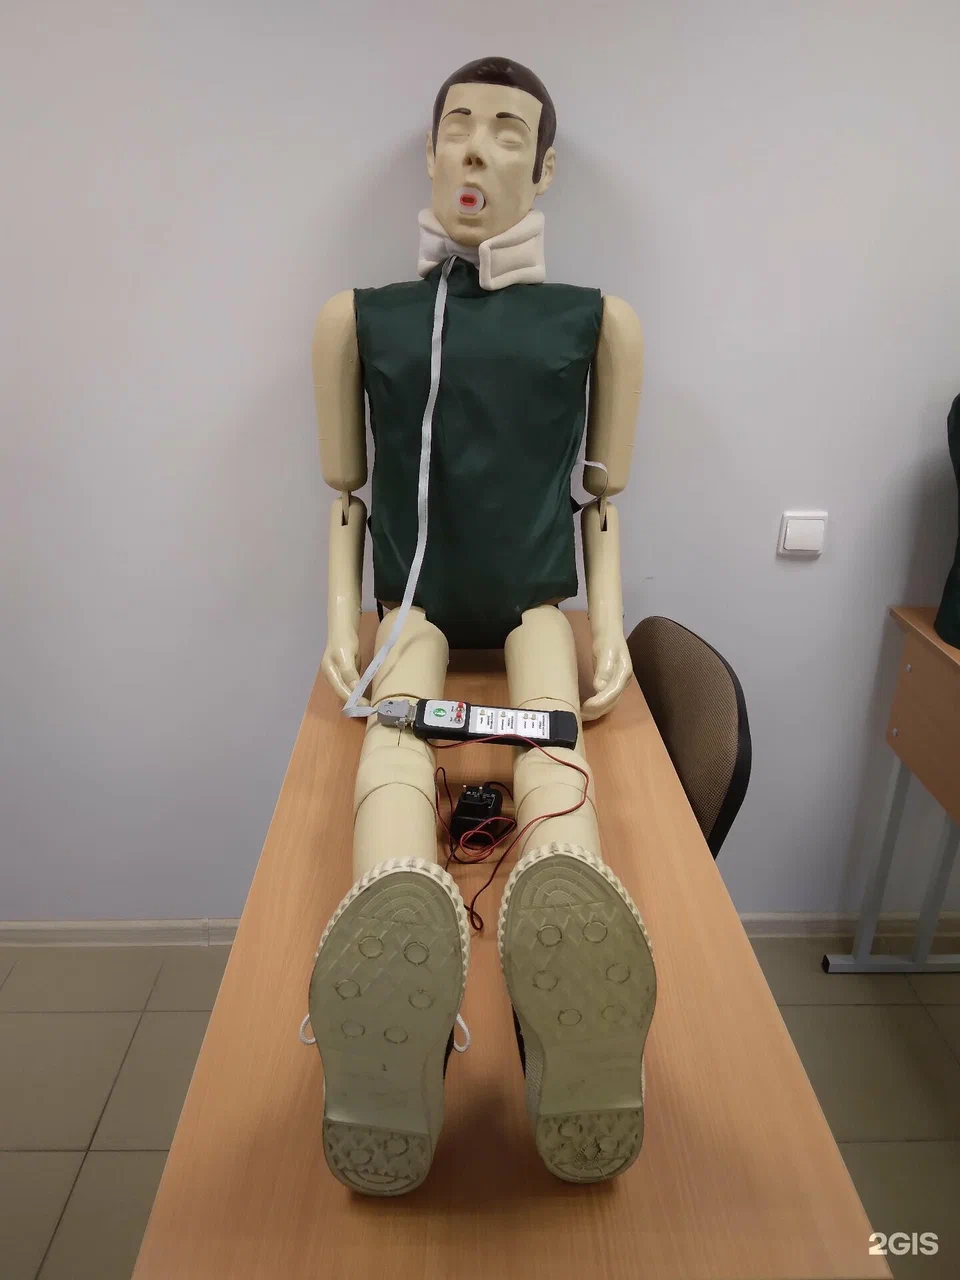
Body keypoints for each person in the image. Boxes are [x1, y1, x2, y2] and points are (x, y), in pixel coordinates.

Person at [304, 56, 656, 1196]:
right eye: (458, 124)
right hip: (411, 600)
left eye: (508, 132)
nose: (474, 147)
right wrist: (341, 618)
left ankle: (570, 937)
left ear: (543, 171)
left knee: (552, 728)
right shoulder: (361, 321)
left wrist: (609, 621)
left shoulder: (597, 323)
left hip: (530, 598)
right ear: (428, 151)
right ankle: (395, 940)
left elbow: (600, 501)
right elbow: (349, 496)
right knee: (393, 736)